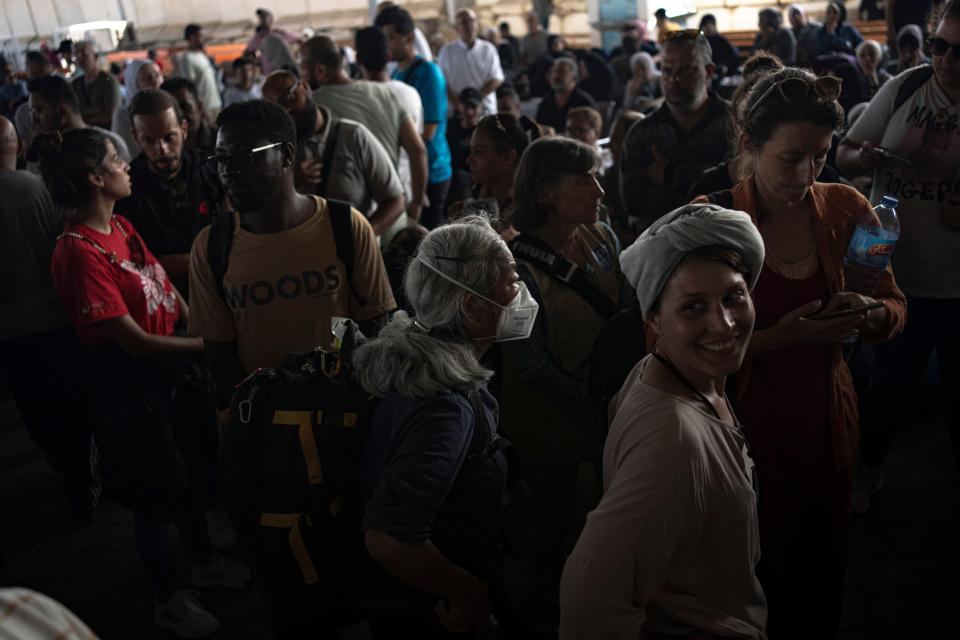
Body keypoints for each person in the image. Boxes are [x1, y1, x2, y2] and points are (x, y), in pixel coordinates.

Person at [696, 67, 906, 639]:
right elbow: (666, 347)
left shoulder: (843, 209)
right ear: (748, 145)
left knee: (821, 581)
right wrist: (776, 339)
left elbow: (892, 303)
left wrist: (869, 317)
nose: (807, 174)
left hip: (826, 430)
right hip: (737, 435)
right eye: (790, 158)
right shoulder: (712, 221)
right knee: (749, 584)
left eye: (820, 156)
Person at [33, 127, 250, 639]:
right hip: (130, 385)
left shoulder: (122, 226)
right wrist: (207, 348)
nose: (127, 166)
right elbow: (130, 342)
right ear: (95, 178)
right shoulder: (78, 250)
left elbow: (164, 287)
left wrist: (198, 329)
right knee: (155, 496)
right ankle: (166, 599)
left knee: (193, 471)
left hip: (173, 370)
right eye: (116, 161)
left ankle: (201, 562)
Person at [560, 203, 768, 639]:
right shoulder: (674, 439)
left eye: (734, 296)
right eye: (693, 307)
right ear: (653, 319)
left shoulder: (669, 372)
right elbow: (588, 601)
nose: (724, 323)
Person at [357, 215, 524, 637]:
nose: (520, 293)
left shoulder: (417, 356)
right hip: (427, 613)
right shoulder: (444, 408)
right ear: (472, 305)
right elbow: (389, 537)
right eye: (512, 280)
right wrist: (464, 590)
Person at [500, 136, 632, 632]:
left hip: (610, 425)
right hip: (552, 437)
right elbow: (530, 365)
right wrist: (599, 403)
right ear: (546, 194)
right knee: (552, 544)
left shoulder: (601, 236)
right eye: (584, 180)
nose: (599, 188)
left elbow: (627, 309)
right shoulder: (515, 271)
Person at [188, 100, 396, 405]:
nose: (228, 171)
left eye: (244, 157)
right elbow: (220, 356)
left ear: (285, 154)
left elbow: (378, 330)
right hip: (263, 430)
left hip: (346, 420)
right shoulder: (212, 247)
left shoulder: (345, 227)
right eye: (220, 158)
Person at [837, 0, 960, 511]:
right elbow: (841, 155)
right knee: (887, 392)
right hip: (896, 280)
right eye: (940, 46)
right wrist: (863, 158)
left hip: (958, 288)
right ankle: (868, 473)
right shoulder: (905, 88)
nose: (948, 58)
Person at [0, 116, 96, 521]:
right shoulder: (38, 188)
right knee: (73, 404)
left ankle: (67, 473)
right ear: (18, 145)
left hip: (9, 333)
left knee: (36, 411)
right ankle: (84, 481)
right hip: (57, 321)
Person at [301, 35, 428, 222]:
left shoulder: (315, 106)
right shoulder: (386, 93)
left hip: (351, 222)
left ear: (320, 70)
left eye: (303, 69)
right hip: (393, 214)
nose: (302, 76)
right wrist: (416, 204)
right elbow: (418, 151)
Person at [260, 70, 405, 234]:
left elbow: (395, 200)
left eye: (289, 98)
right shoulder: (277, 152)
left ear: (305, 87)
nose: (286, 111)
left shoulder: (354, 136)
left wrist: (361, 240)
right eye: (276, 108)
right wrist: (291, 180)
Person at [114, 89, 224, 295]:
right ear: (135, 137)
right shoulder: (126, 190)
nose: (162, 149)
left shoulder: (211, 170)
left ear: (183, 129)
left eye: (169, 138)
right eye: (149, 140)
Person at [619, 31, 730, 233]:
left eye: (686, 70)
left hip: (721, 244)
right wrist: (705, 182)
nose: (674, 79)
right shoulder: (643, 132)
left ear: (709, 72)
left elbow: (736, 195)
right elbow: (634, 202)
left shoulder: (735, 125)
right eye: (667, 70)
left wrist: (669, 175)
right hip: (657, 250)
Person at [377, 5, 454, 230]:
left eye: (391, 37)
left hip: (432, 171)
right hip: (409, 170)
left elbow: (428, 132)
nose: (386, 45)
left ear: (409, 38)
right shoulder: (396, 72)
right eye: (384, 39)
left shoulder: (428, 73)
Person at [356, 25, 424, 235]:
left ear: (357, 59)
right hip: (404, 195)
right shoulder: (410, 94)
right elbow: (418, 150)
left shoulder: (355, 97)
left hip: (368, 205)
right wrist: (417, 203)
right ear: (389, 55)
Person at [27, 75, 130, 163]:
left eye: (38, 111)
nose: (33, 120)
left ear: (62, 111)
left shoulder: (111, 145)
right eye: (32, 113)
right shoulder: (44, 155)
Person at [461, 114, 530, 240]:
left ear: (508, 157)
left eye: (479, 152)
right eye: (471, 151)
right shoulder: (470, 203)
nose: (469, 159)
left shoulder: (531, 211)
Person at [439, 9, 505, 116]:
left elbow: (497, 78)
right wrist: (459, 104)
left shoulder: (488, 49)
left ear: (477, 24)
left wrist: (476, 99)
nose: (469, 25)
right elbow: (441, 82)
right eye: (464, 22)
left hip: (485, 110)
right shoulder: (447, 51)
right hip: (458, 113)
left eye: (472, 21)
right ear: (456, 28)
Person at [112, 59, 164, 158]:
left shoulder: (167, 108)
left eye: (157, 75)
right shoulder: (123, 115)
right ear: (134, 85)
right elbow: (126, 152)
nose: (155, 81)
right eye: (148, 78)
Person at [535, 57, 598, 134]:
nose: (556, 76)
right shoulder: (545, 103)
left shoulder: (584, 103)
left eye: (562, 72)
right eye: (554, 72)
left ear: (574, 77)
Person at [174, 24, 222, 122]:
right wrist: (200, 109)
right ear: (191, 37)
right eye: (201, 36)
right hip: (205, 107)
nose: (204, 39)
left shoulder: (201, 54)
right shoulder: (187, 58)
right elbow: (189, 86)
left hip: (215, 104)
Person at [70, 40, 122, 129]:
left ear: (95, 56)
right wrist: (98, 109)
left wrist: (84, 121)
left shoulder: (108, 80)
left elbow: (113, 114)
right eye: (76, 55)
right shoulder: (76, 84)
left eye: (84, 54)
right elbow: (73, 113)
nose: (80, 58)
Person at [447, 87, 484, 206]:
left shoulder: (484, 132)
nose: (469, 112)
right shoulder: (450, 127)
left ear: (481, 108)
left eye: (473, 107)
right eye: (466, 107)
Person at [160, 78, 216, 153]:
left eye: (185, 107)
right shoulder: (161, 149)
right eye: (173, 110)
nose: (180, 114)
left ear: (199, 107)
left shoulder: (221, 142)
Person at [14, 51, 54, 152]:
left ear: (34, 65)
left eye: (27, 64)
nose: (25, 69)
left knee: (21, 112)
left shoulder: (54, 81)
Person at [243, 8, 300, 74]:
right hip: (270, 72)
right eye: (260, 18)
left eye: (264, 17)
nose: (262, 20)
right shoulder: (259, 37)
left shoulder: (280, 33)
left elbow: (299, 40)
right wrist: (256, 62)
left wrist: (295, 53)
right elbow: (246, 53)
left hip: (287, 69)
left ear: (271, 19)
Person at [566, 106, 611, 174]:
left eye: (580, 130)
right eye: (569, 130)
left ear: (596, 133)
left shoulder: (606, 160)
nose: (573, 135)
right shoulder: (566, 158)